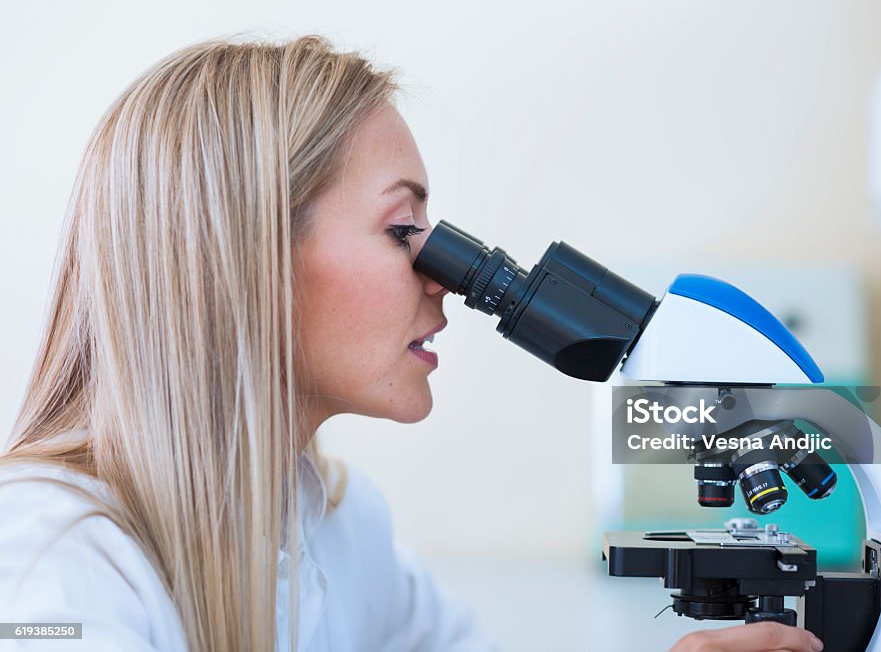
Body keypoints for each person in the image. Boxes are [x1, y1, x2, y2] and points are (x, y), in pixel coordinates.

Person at [0, 35, 824, 652]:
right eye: (402, 229)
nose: (444, 279)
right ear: (243, 260)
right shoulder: (52, 562)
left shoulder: (336, 522)